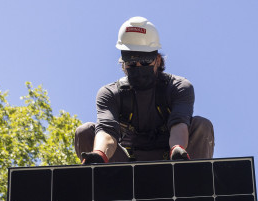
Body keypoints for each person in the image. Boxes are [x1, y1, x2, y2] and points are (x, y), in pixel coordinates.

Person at [75, 17, 215, 164]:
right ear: (123, 64)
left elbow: (179, 123)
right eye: (131, 63)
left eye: (145, 61)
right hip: (126, 171)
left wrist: (177, 149)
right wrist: (100, 154)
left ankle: (192, 179)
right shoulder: (110, 94)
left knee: (202, 125)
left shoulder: (179, 87)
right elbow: (106, 131)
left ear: (158, 60)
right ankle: (105, 180)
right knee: (84, 132)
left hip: (172, 165)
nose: (139, 66)